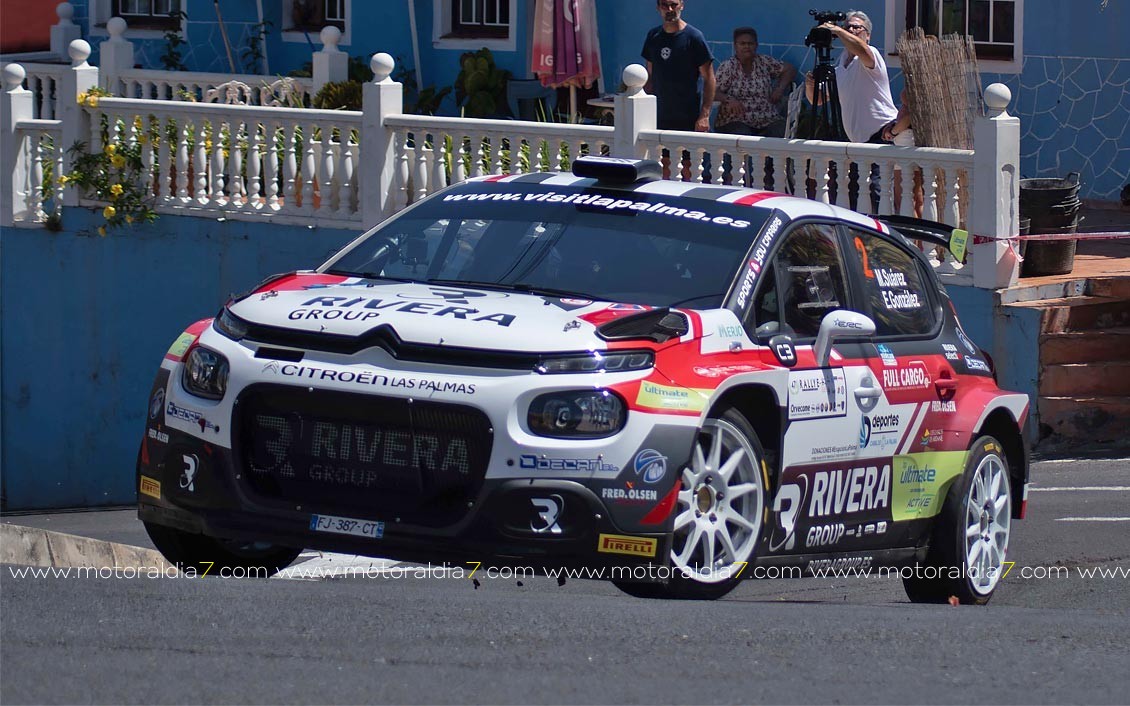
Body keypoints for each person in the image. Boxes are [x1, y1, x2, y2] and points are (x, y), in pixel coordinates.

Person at [641, 0, 715, 133]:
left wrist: (704, 115)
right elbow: (650, 75)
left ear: (682, 5)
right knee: (660, 154)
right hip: (658, 116)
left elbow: (709, 78)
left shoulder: (694, 37)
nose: (669, 9)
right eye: (664, 5)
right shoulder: (653, 36)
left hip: (688, 118)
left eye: (674, 5)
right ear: (658, 7)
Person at [715, 27, 796, 138]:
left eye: (750, 43)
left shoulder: (764, 62)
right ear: (735, 46)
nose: (747, 47)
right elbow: (712, 92)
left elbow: (789, 69)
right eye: (742, 43)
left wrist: (779, 89)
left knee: (780, 131)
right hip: (736, 119)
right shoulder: (728, 67)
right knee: (743, 137)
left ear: (756, 45)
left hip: (767, 117)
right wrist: (729, 99)